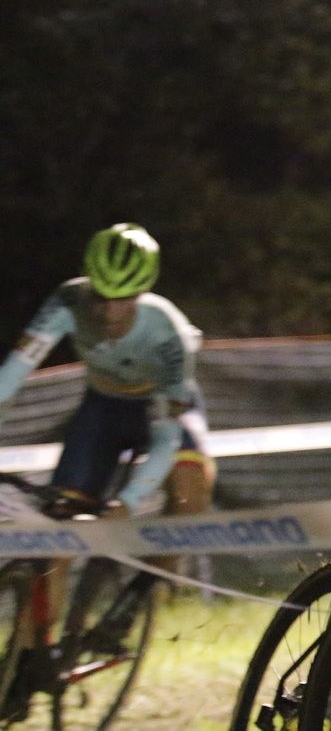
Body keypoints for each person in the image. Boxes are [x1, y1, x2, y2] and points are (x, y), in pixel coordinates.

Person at [0, 224, 215, 679]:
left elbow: (165, 436)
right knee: (55, 535)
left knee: (191, 495)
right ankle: (29, 660)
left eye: (126, 298)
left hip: (161, 410)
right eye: (101, 296)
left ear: (144, 291)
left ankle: (136, 602)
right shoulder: (66, 300)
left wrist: (128, 503)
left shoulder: (169, 334)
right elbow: (13, 375)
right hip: (103, 408)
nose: (111, 310)